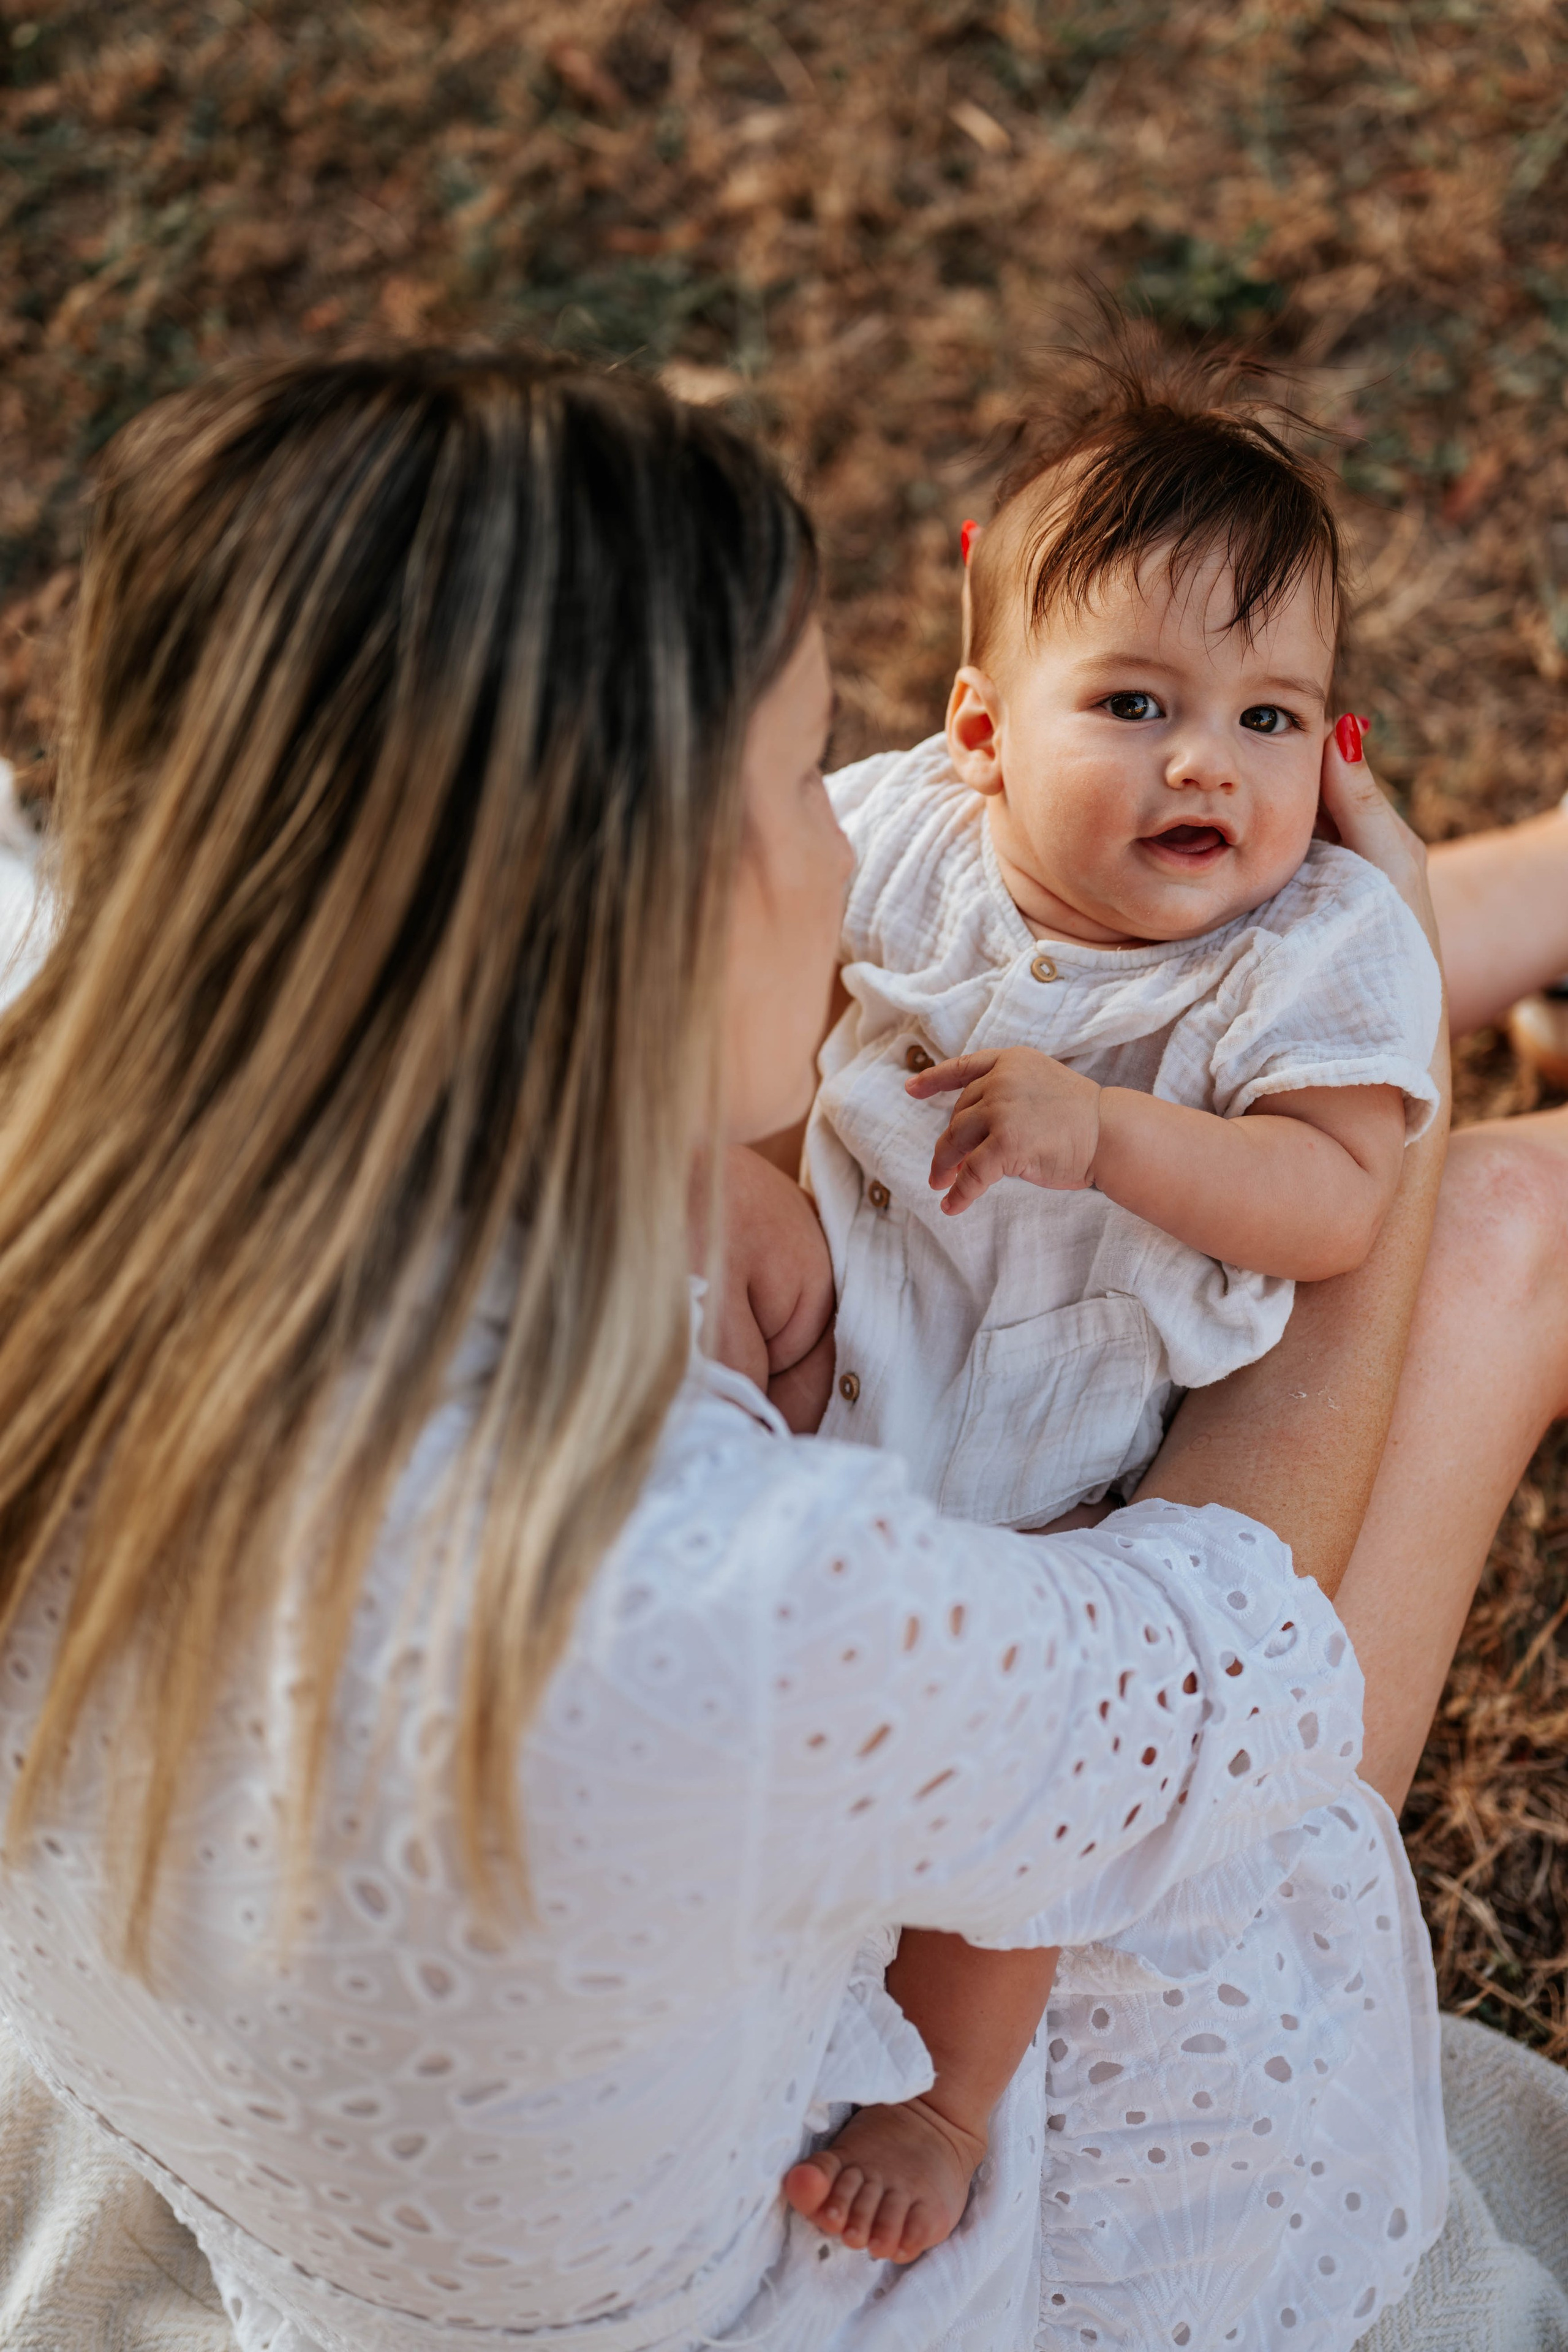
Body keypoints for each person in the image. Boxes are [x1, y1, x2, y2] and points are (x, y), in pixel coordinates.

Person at [0, 351, 1561, 2352]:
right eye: (821, 769)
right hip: (872, 2219)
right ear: (655, 903)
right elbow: (1214, 1650)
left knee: (1175, 974)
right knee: (1503, 1227)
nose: (865, 845)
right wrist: (1397, 1018)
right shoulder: (720, 1579)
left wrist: (699, 1150)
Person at [733, 385, 1446, 2266]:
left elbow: (1338, 1199)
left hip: (1061, 1473)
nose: (1207, 765)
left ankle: (947, 2099)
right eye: (1134, 704)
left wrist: (1119, 1131)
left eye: (1268, 719)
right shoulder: (899, 836)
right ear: (980, 730)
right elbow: (766, 975)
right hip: (851, 1347)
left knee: (1018, 1802)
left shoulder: (1316, 949)